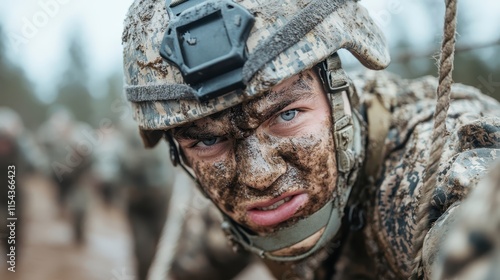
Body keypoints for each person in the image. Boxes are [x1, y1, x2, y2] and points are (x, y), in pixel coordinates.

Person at [121, 0, 500, 279]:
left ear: (338, 95)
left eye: (286, 115)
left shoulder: (421, 165)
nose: (259, 176)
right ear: (180, 154)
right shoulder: (221, 210)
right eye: (207, 142)